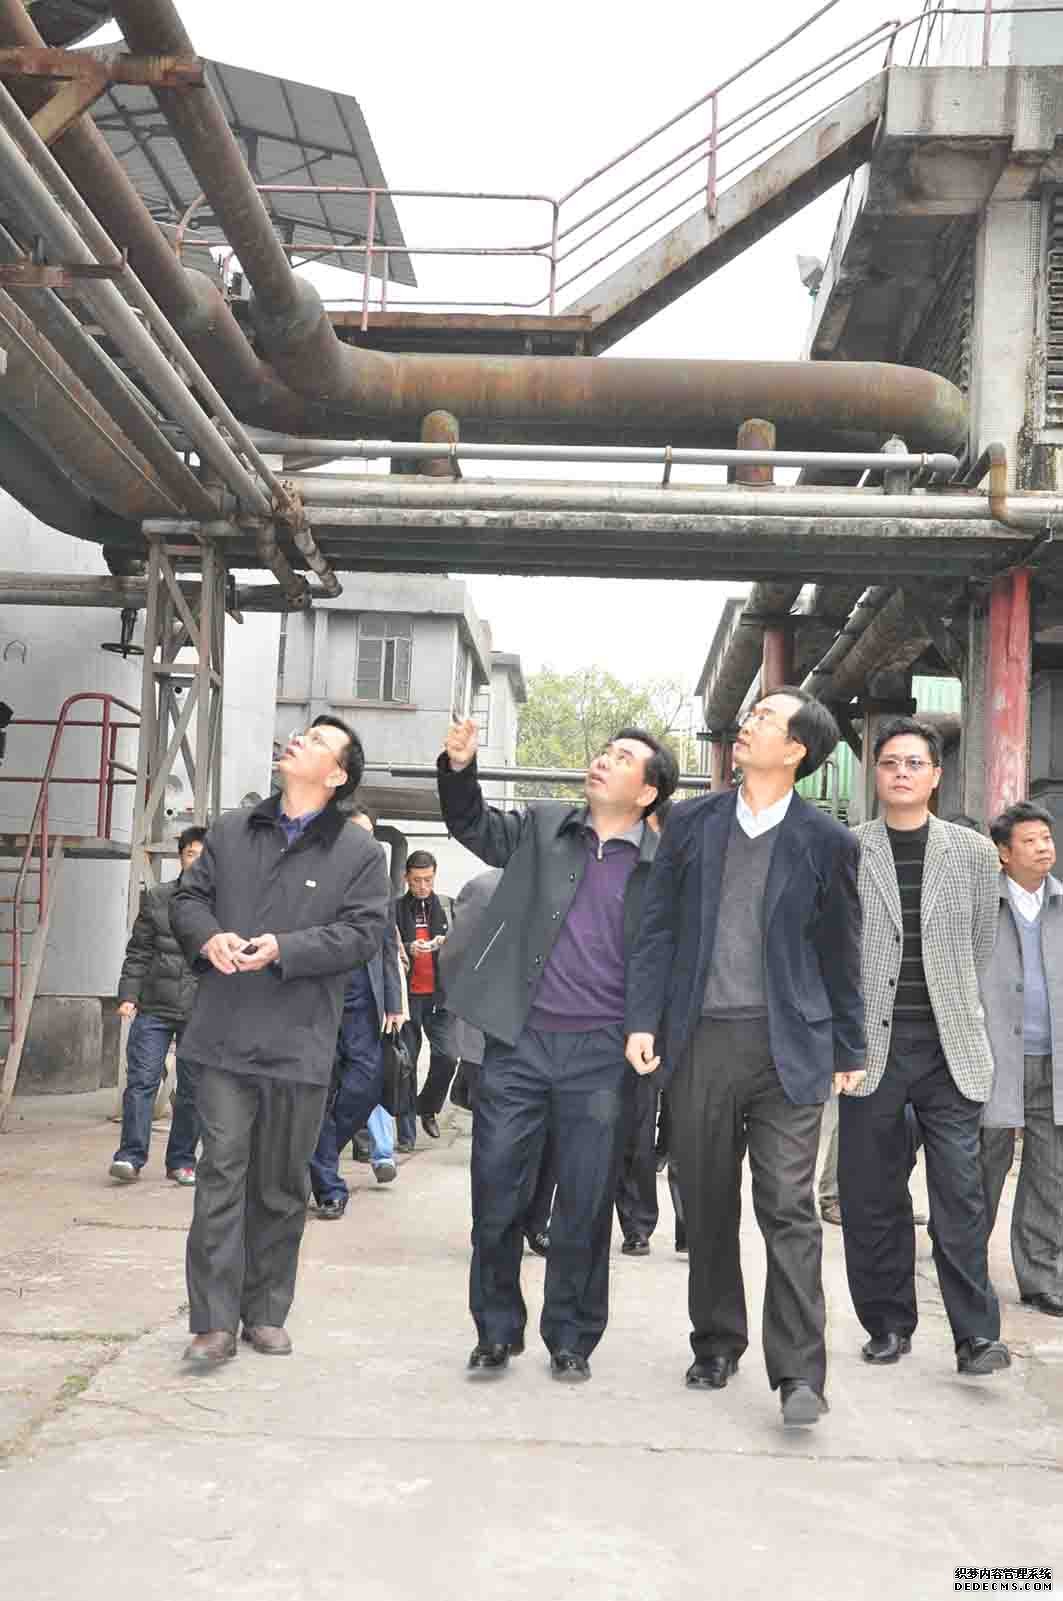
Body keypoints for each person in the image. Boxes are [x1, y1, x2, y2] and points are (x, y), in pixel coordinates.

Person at [627, 687, 865, 1428]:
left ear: (796, 749)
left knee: (788, 1207)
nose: (748, 723)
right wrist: (643, 1020)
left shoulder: (827, 841)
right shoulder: (691, 823)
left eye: (765, 717)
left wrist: (849, 1044)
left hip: (788, 1048)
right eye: (752, 714)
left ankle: (799, 1374)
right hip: (700, 1040)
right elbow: (657, 929)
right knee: (706, 1200)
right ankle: (716, 1341)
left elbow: (841, 950)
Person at [439, 717, 678, 1382]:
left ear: (647, 792)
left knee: (585, 1199)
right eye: (604, 751)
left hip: (602, 1054)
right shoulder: (543, 826)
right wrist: (458, 768)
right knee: (495, 1190)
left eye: (622, 757)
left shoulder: (663, 866)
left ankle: (571, 1335)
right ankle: (495, 1330)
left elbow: (667, 956)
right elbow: (472, 824)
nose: (603, 760)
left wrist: (652, 1029)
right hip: (519, 1042)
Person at [170, 716, 391, 1366]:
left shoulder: (358, 852)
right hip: (223, 1035)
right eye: (303, 733)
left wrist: (286, 948)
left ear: (338, 774)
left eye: (318, 741)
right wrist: (207, 935)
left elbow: (363, 934)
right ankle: (213, 1322)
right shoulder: (233, 829)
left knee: (280, 1184)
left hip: (299, 1044)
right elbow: (187, 899)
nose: (300, 739)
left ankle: (265, 1312)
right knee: (220, 1173)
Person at [839, 717, 1009, 1376]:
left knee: (960, 1196)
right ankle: (887, 1323)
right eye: (890, 763)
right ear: (875, 774)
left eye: (915, 763)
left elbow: (979, 946)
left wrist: (953, 1006)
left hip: (948, 1048)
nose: (902, 772)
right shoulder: (849, 848)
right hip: (871, 1049)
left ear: (936, 776)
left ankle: (975, 1337)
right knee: (872, 1193)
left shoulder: (972, 853)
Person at [439, 866, 554, 1257]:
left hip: (556, 1036)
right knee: (496, 1141)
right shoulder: (485, 888)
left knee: (550, 1138)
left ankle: (536, 1221)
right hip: (490, 1036)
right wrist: (473, 1009)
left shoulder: (580, 882)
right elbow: (455, 958)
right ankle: (491, 1227)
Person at [981, 802, 1063, 1317]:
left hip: (1054, 1062)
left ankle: (1042, 1277)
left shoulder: (1061, 904)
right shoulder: (984, 906)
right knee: (982, 1167)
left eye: (1046, 839)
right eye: (1030, 841)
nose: (1043, 848)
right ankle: (967, 1268)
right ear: (1005, 854)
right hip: (996, 1059)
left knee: (1050, 1175)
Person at [309, 809, 404, 1219]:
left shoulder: (379, 884)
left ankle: (320, 1153)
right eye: (356, 833)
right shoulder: (315, 874)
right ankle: (329, 1188)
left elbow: (387, 945)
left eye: (370, 834)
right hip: (318, 998)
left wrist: (394, 1001)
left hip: (365, 1000)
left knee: (366, 1085)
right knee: (317, 1090)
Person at [110, 825, 208, 1186]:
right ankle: (130, 1156)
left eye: (204, 856)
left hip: (201, 1011)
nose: (196, 861)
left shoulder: (224, 904)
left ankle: (182, 1161)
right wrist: (128, 995)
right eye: (190, 854)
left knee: (193, 1090)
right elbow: (139, 952)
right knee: (141, 1081)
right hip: (154, 1006)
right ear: (181, 858)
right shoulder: (157, 898)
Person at [614, 798, 672, 1258]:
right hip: (602, 1014)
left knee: (642, 1126)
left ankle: (641, 1223)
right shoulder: (611, 871)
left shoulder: (674, 880)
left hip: (657, 1021)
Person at [395, 852, 457, 1145]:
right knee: (405, 1064)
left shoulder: (446, 906)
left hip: (438, 996)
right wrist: (408, 948)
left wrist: (447, 943)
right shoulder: (395, 909)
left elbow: (464, 943)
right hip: (408, 998)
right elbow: (385, 946)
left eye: (428, 879)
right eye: (417, 880)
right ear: (406, 878)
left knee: (448, 1057)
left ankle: (428, 1106)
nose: (423, 886)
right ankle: (406, 1134)